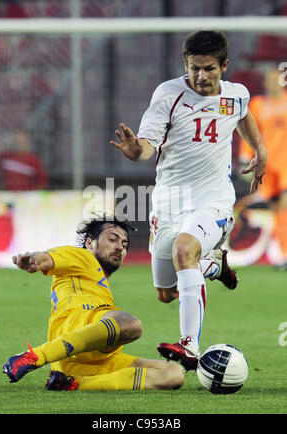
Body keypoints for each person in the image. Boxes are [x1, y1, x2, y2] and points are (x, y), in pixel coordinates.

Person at [110, 30, 267, 371]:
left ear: (224, 66)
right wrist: (136, 150)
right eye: (194, 68)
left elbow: (242, 114)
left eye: (209, 68)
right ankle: (213, 265)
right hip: (169, 203)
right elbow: (146, 144)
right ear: (185, 64)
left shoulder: (236, 94)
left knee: (184, 249)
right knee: (165, 292)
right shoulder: (169, 94)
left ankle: (189, 347)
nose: (201, 76)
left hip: (214, 200)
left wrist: (261, 151)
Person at [3, 216, 184, 391]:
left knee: (174, 373)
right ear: (90, 243)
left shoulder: (98, 280)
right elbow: (47, 258)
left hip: (90, 360)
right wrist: (34, 260)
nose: (119, 247)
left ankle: (72, 384)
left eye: (124, 244)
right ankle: (35, 356)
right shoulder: (82, 256)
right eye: (112, 239)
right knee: (130, 324)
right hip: (76, 328)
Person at [239, 68, 287, 269]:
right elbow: (250, 131)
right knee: (275, 209)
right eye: (268, 79)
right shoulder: (258, 105)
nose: (272, 83)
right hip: (266, 166)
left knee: (284, 204)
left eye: (275, 79)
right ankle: (280, 248)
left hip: (285, 164)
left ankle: (282, 253)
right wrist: (245, 157)